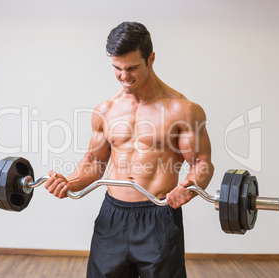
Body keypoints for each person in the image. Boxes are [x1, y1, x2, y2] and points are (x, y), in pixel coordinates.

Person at [44, 22, 214, 278]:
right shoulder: (106, 109)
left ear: (151, 59)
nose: (124, 76)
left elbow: (202, 163)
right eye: (117, 68)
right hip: (112, 216)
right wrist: (69, 183)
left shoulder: (183, 110)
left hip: (159, 215)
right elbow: (93, 161)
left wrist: (188, 187)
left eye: (132, 68)